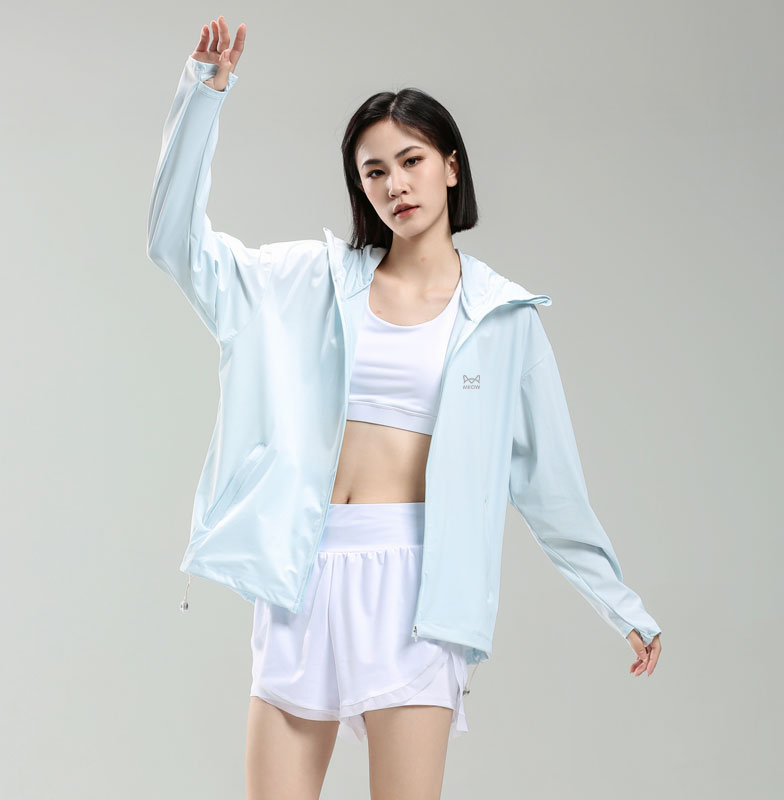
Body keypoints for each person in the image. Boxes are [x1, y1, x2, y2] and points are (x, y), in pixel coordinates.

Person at [146, 15, 663, 800]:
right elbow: (176, 245)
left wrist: (618, 601)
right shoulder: (309, 283)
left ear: (451, 167)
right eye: (374, 171)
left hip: (416, 592)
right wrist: (203, 97)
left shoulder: (501, 319)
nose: (395, 185)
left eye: (412, 161)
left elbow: (548, 480)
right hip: (303, 576)